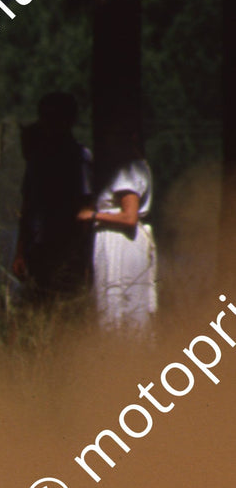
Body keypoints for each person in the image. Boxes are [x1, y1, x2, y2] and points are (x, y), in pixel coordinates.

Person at [13, 92, 93, 304]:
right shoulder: (36, 161)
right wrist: (21, 252)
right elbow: (27, 208)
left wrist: (82, 252)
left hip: (67, 246)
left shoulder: (79, 158)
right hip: (38, 247)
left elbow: (85, 208)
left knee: (65, 302)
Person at [79, 132, 156, 337]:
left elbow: (129, 217)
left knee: (122, 297)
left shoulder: (128, 170)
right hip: (116, 239)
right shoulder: (134, 167)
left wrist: (93, 215)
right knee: (117, 298)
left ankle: (126, 351)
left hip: (120, 240)